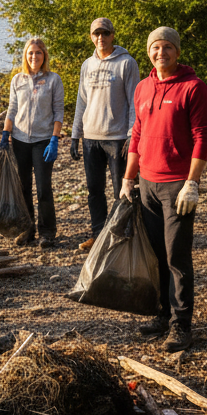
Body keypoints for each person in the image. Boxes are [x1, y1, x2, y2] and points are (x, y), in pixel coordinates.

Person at [120, 27, 207, 353]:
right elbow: (137, 134)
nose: (161, 53)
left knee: (176, 256)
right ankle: (162, 314)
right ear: (149, 52)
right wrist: (128, 179)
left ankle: (181, 326)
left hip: (177, 187)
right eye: (156, 47)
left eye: (167, 47)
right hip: (146, 184)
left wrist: (193, 182)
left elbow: (203, 137)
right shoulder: (144, 87)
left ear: (177, 51)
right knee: (156, 255)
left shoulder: (193, 87)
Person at [69, 19, 140, 252]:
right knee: (94, 190)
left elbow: (134, 102)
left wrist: (132, 135)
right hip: (91, 137)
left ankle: (123, 233)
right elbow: (81, 100)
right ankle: (98, 235)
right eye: (96, 33)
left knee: (123, 189)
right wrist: (75, 135)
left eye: (105, 33)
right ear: (91, 36)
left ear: (113, 35)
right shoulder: (87, 65)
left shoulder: (127, 63)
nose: (101, 37)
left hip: (118, 136)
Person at [0, 38, 64, 248]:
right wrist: (5, 133)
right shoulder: (17, 79)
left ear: (44, 55)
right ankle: (26, 229)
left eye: (38, 52)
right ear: (25, 56)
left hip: (43, 140)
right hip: (19, 139)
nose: (34, 57)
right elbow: (11, 109)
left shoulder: (54, 79)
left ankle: (47, 232)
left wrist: (54, 139)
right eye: (30, 53)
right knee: (22, 187)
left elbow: (58, 112)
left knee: (44, 187)